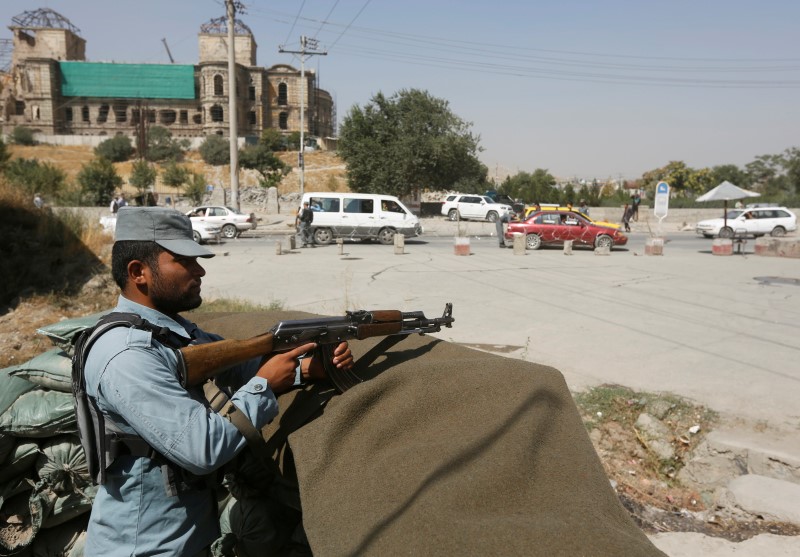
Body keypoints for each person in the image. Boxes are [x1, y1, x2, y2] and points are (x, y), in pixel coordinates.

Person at [81, 207, 353, 556]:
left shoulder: (175, 333)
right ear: (139, 272)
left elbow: (243, 364)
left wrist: (309, 367)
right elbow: (202, 448)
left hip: (184, 541)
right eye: (183, 261)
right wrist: (264, 386)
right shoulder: (125, 356)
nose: (200, 270)